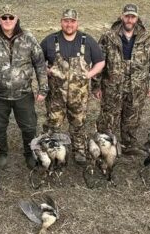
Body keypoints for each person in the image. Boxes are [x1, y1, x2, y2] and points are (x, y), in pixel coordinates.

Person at [0, 5, 48, 169]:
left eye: (11, 17)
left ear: (16, 18)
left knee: (29, 127)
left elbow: (40, 64)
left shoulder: (28, 38)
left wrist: (43, 89)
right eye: (4, 17)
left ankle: (30, 153)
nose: (7, 21)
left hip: (24, 93)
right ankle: (2, 152)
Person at [40, 9, 105, 164]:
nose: (69, 24)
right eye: (66, 21)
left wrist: (89, 75)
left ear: (77, 22)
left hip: (79, 96)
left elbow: (100, 61)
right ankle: (52, 151)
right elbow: (37, 60)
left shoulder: (87, 40)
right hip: (56, 96)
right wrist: (47, 71)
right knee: (53, 124)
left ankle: (79, 151)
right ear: (61, 21)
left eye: (72, 21)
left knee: (78, 124)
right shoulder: (50, 40)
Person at [95, 3, 150, 153]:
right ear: (122, 16)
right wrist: (96, 85)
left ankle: (128, 144)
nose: (129, 20)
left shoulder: (147, 38)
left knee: (132, 116)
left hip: (137, 87)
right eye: (127, 16)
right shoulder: (108, 36)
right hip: (112, 86)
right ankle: (104, 145)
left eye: (133, 17)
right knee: (108, 116)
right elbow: (99, 62)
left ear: (137, 18)